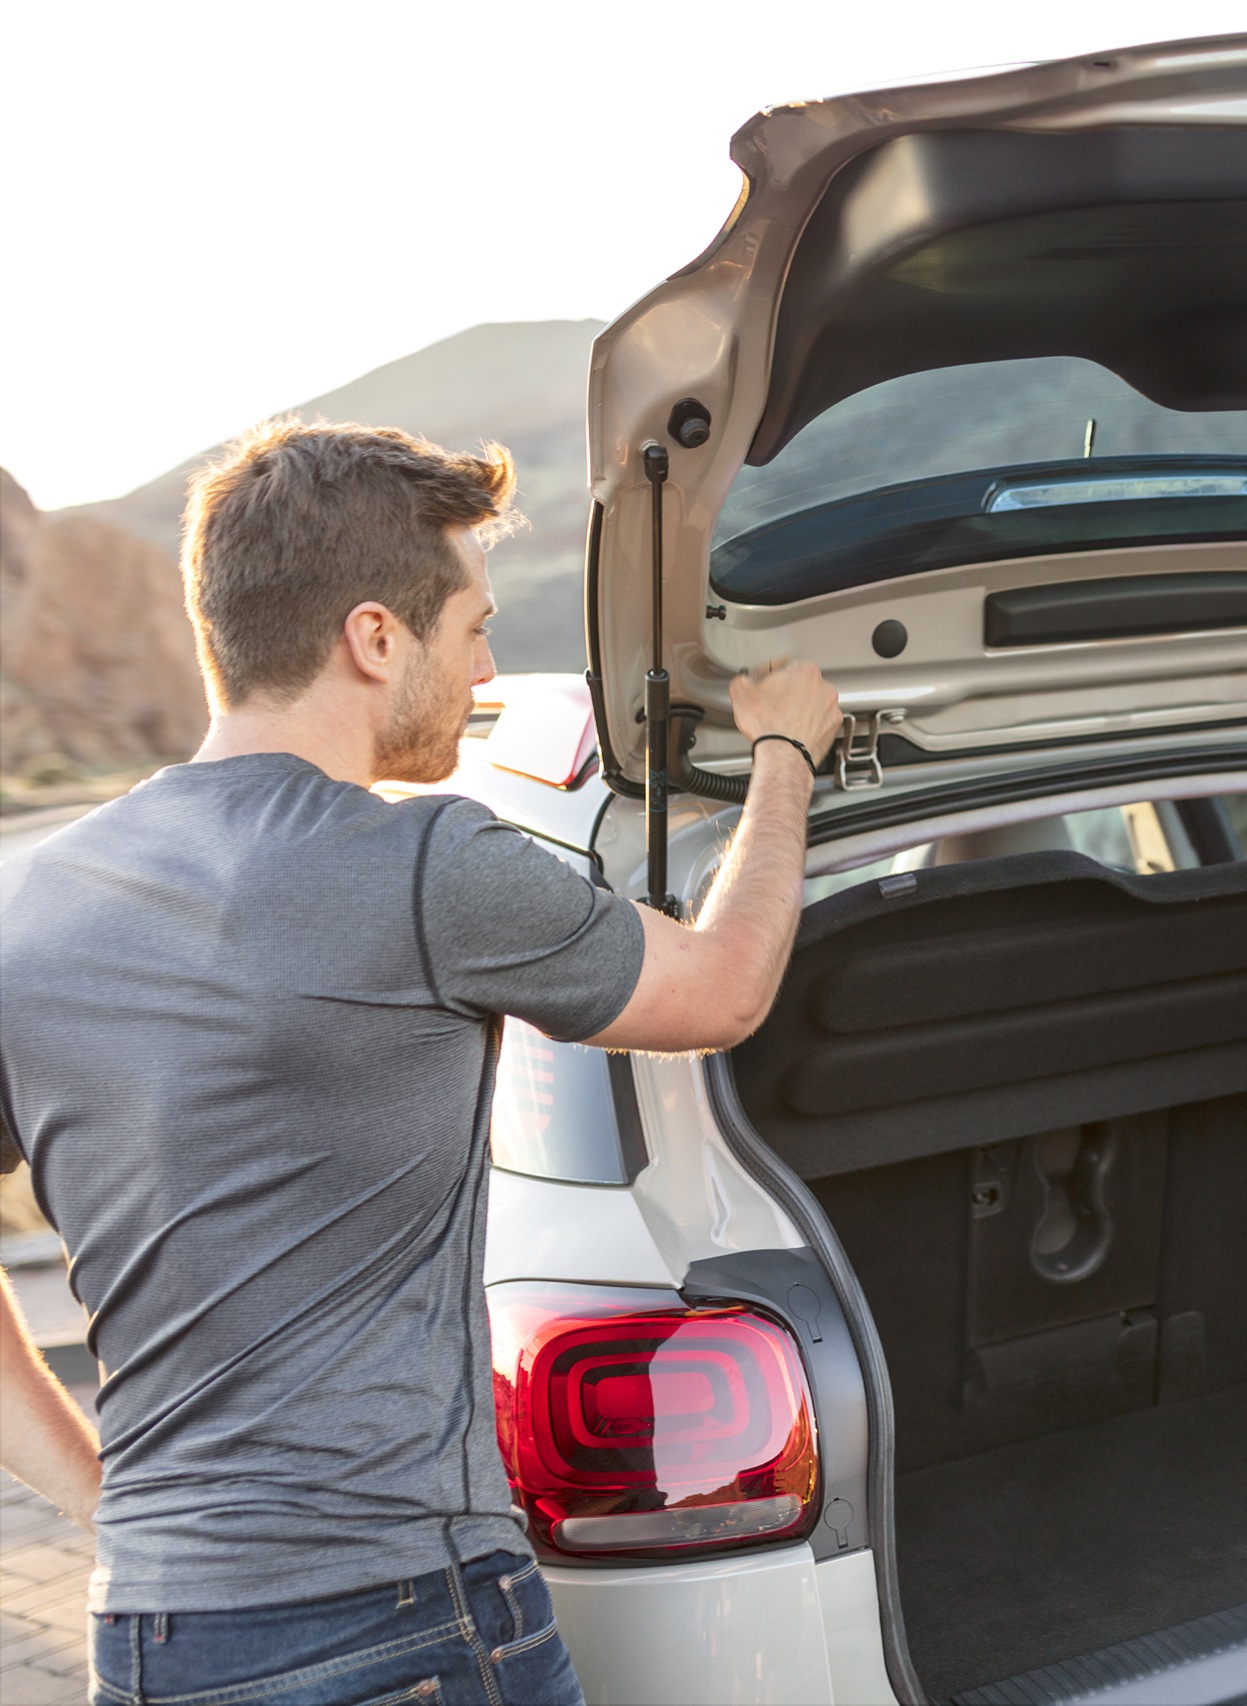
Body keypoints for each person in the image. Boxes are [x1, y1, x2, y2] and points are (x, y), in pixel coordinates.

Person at [0, 419, 844, 1706]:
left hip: (152, 1641)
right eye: (473, 625)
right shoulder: (425, 865)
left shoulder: (28, 909)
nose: (487, 663)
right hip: (401, 1620)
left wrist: (108, 1502)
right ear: (376, 637)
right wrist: (784, 754)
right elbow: (725, 986)